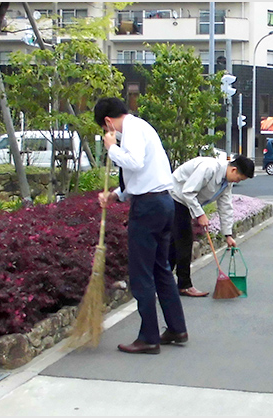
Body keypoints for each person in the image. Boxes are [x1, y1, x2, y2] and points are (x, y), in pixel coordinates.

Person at [94, 97, 187, 355]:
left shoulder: (131, 130)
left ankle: (148, 337)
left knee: (141, 274)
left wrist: (112, 148)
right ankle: (176, 328)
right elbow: (140, 174)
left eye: (105, 130)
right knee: (161, 270)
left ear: (108, 122)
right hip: (162, 203)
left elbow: (132, 162)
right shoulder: (142, 128)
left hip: (148, 209)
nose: (106, 134)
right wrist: (116, 195)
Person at [169, 154, 255, 297]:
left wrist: (228, 235)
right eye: (239, 178)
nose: (237, 181)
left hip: (185, 202)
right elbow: (188, 192)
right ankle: (183, 285)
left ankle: (162, 281)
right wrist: (200, 214)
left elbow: (225, 206)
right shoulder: (208, 168)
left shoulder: (227, 182)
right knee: (184, 242)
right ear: (233, 170)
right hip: (175, 197)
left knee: (174, 243)